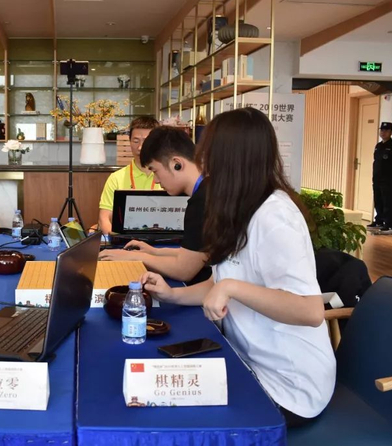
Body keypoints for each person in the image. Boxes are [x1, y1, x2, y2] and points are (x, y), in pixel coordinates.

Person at [140, 108, 335, 427]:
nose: (203, 166)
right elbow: (222, 279)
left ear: (230, 160)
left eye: (208, 156)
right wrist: (172, 295)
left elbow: (310, 311)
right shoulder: (238, 209)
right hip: (246, 362)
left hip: (288, 386)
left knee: (172, 415)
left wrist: (231, 288)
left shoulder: (275, 217)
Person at [99, 126, 211, 286]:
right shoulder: (208, 189)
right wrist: (155, 252)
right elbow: (197, 254)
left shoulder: (201, 202)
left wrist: (134, 257)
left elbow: (184, 269)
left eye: (155, 171)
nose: (156, 180)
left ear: (176, 164)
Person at [98, 116, 161, 235]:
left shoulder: (168, 177)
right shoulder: (116, 178)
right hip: (124, 241)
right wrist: (118, 240)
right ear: (129, 141)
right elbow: (104, 218)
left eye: (146, 141)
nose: (140, 147)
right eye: (136, 141)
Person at [368, 122, 392, 235]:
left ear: (391, 132)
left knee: (388, 202)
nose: (383, 133)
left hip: (388, 180)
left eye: (386, 131)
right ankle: (379, 221)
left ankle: (389, 224)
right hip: (377, 178)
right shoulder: (378, 146)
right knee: (378, 200)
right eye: (382, 130)